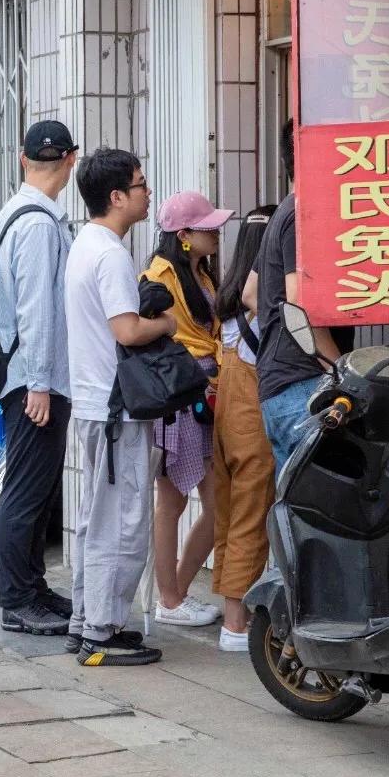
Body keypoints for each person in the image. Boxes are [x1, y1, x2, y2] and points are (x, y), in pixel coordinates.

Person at [65, 147, 175, 667]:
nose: (147, 191)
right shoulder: (109, 253)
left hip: (95, 404)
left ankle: (86, 621)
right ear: (116, 197)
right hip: (117, 409)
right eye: (140, 183)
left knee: (97, 516)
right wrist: (167, 327)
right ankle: (101, 634)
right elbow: (127, 330)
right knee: (123, 519)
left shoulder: (85, 243)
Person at [0, 120, 78, 636]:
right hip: (33, 381)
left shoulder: (16, 214)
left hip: (26, 377)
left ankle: (33, 589)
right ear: (71, 161)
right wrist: (41, 384)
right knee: (26, 490)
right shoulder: (40, 224)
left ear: (22, 159)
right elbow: (36, 312)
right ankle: (18, 599)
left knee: (37, 489)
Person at [142, 191, 232, 629]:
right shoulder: (159, 275)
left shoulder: (199, 272)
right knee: (173, 501)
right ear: (183, 235)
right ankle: (171, 599)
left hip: (203, 390)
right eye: (206, 227)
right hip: (180, 395)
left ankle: (174, 594)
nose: (215, 233)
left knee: (211, 501)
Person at [244, 121, 354, 466]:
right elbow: (298, 304)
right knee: (326, 511)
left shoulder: (284, 211)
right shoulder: (301, 214)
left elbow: (250, 293)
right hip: (303, 386)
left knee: (296, 510)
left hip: (279, 387)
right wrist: (340, 369)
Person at [210, 206, 276, 652]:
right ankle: (236, 623)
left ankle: (233, 614)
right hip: (251, 421)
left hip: (224, 420)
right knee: (251, 518)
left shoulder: (228, 304)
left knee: (228, 516)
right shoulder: (261, 305)